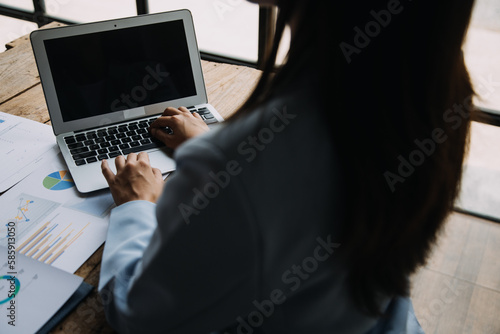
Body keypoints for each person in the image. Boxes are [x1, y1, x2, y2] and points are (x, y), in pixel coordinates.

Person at [98, 0, 476, 333]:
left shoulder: (243, 164)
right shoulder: (431, 87)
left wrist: (137, 205)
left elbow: (138, 315)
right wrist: (221, 156)